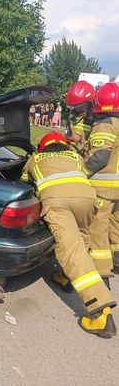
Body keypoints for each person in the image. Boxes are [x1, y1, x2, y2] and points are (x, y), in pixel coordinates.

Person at [21, 131, 116, 338]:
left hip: (58, 202)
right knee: (81, 240)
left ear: (42, 147)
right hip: (86, 199)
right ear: (65, 146)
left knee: (71, 250)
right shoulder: (75, 157)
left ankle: (100, 311)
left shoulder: (34, 159)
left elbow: (22, 183)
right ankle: (66, 278)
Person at [85, 82, 119, 277]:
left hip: (104, 188)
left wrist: (81, 172)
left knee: (98, 229)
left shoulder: (105, 125)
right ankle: (116, 260)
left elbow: (100, 157)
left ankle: (102, 270)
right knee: (116, 226)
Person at [65, 80, 96, 155]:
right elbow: (69, 134)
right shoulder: (73, 115)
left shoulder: (96, 118)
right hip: (71, 153)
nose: (77, 109)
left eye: (81, 106)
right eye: (74, 106)